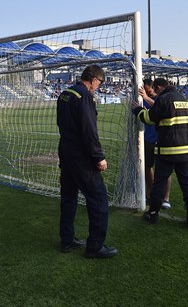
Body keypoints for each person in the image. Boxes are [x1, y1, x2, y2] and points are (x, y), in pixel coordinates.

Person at [56, 65, 117, 258]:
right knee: (98, 198)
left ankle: (67, 240)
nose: (98, 87)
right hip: (81, 155)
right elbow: (89, 131)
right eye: (99, 83)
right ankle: (95, 246)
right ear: (93, 79)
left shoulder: (65, 94)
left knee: (68, 197)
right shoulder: (84, 97)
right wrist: (98, 157)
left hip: (65, 151)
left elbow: (60, 122)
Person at [132, 78, 188, 229]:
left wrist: (137, 110)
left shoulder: (163, 99)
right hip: (187, 149)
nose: (155, 93)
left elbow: (149, 118)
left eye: (155, 90)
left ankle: (153, 213)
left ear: (160, 87)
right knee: (187, 183)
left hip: (169, 149)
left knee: (159, 183)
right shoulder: (182, 98)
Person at [139, 79, 172, 210]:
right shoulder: (141, 98)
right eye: (145, 91)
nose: (147, 92)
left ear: (154, 88)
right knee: (146, 167)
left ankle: (166, 197)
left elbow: (161, 108)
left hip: (162, 139)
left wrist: (146, 97)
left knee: (165, 170)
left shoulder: (161, 98)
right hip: (147, 139)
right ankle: (150, 193)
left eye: (149, 90)